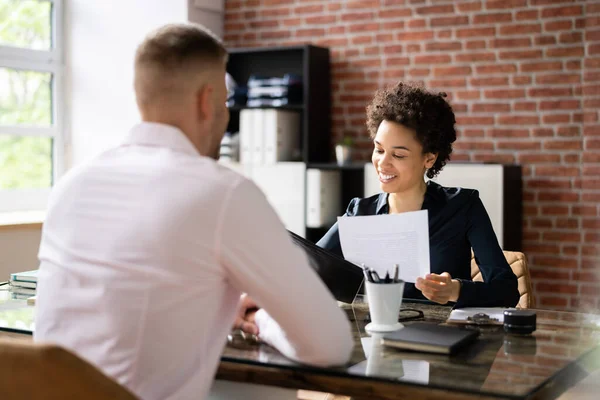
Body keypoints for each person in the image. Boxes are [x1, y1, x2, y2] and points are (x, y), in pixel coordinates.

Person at [34, 23, 353, 400]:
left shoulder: (70, 186)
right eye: (225, 103)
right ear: (206, 100)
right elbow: (330, 345)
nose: (225, 117)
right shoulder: (223, 192)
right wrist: (260, 317)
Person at [317, 82, 519, 308]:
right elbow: (308, 265)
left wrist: (455, 290)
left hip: (439, 337)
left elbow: (507, 291)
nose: (383, 163)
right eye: (379, 149)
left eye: (399, 155)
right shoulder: (360, 212)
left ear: (429, 159)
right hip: (372, 333)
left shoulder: (463, 207)